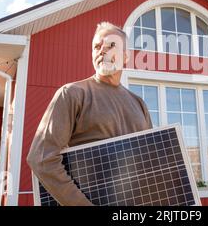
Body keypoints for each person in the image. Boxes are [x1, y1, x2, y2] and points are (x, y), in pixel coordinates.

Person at [27, 21, 153, 206]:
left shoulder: (139, 103)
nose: (102, 50)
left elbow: (151, 159)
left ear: (125, 57)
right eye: (96, 46)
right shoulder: (72, 94)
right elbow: (41, 158)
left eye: (111, 45)